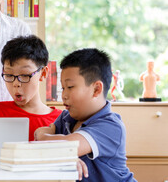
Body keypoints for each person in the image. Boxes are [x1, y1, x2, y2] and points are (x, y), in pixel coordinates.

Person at [34, 48, 136, 182]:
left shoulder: (110, 126)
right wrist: (62, 152)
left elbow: (64, 146)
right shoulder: (66, 118)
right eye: (63, 88)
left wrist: (63, 151)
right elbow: (43, 138)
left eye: (70, 87)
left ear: (96, 89)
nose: (63, 95)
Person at [0, 35, 62, 141]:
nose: (16, 83)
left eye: (25, 75)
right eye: (9, 75)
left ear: (43, 73)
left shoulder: (61, 119)